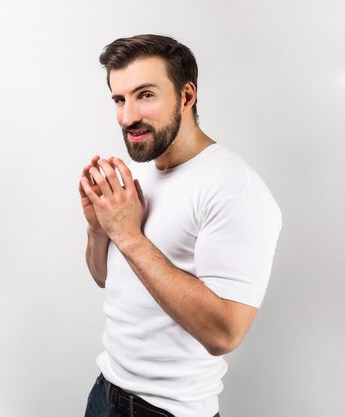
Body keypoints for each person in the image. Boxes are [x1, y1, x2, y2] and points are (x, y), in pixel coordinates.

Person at [79, 34, 282, 417]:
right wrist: (99, 230)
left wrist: (127, 234)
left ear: (187, 96)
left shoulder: (234, 189)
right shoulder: (148, 171)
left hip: (165, 412)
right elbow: (105, 277)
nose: (127, 117)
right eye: (119, 100)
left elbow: (225, 333)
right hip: (105, 393)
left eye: (145, 95)